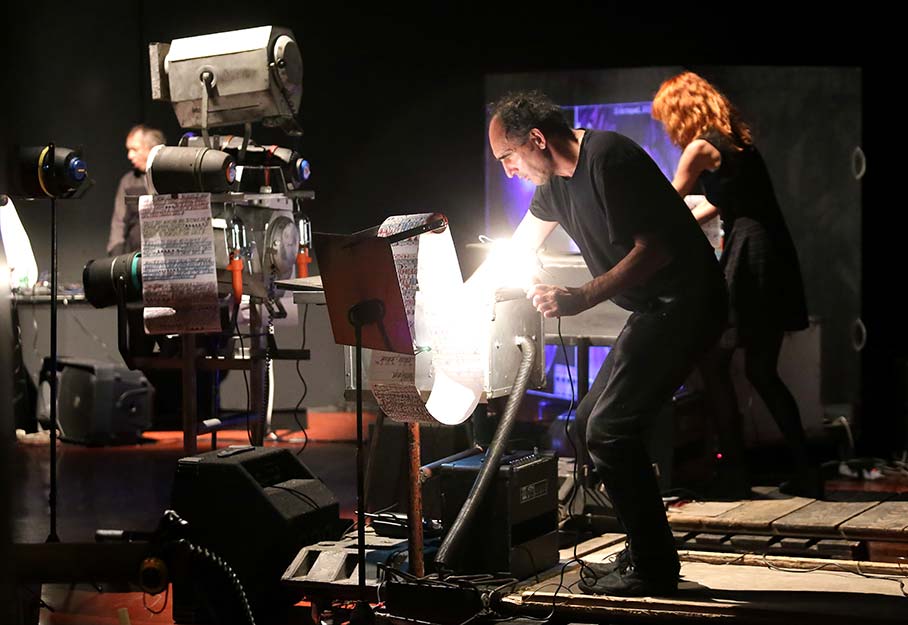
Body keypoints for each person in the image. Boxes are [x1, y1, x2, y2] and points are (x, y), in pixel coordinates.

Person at [484, 91, 727, 597]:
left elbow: (654, 250)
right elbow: (521, 245)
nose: (508, 171)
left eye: (508, 156)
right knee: (588, 420)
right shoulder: (554, 186)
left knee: (611, 431)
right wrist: (475, 295)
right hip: (655, 309)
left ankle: (654, 567)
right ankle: (644, 548)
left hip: (688, 303)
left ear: (536, 139)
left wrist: (580, 297)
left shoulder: (609, 157)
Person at [651, 72, 819, 499]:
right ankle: (806, 471)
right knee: (761, 370)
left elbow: (667, 204)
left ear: (679, 111)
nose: (666, 127)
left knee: (713, 362)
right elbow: (718, 203)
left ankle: (735, 474)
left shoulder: (699, 148)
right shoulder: (734, 143)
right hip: (772, 253)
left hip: (749, 254)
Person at [107, 124, 165, 256]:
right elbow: (118, 225)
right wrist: (116, 258)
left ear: (151, 149)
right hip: (137, 258)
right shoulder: (128, 182)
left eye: (134, 149)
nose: (129, 155)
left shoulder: (170, 179)